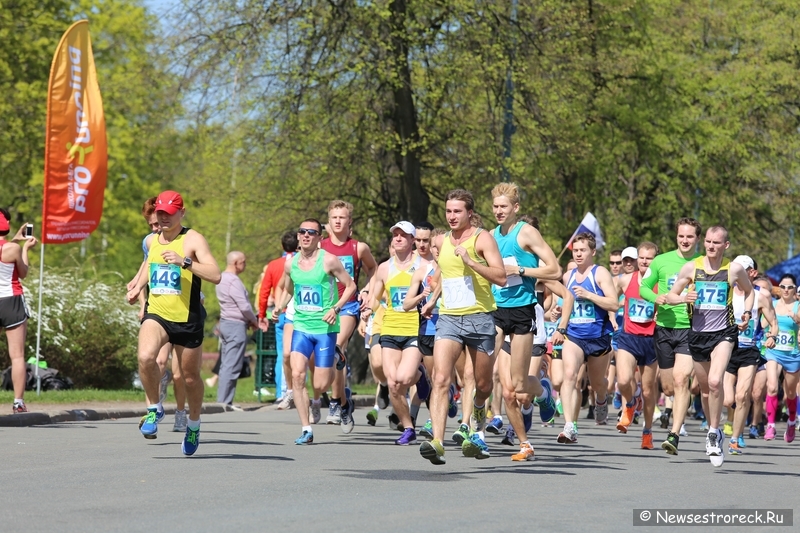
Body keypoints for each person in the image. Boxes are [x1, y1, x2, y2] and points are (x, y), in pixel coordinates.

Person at [126, 191, 221, 456]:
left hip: (187, 318)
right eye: (160, 214)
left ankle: (193, 424)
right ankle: (154, 409)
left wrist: (185, 262)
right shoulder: (152, 240)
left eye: (169, 213)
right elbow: (149, 266)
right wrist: (136, 288)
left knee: (189, 378)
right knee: (146, 357)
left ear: (182, 213)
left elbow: (216, 275)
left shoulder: (193, 239)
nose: (163, 218)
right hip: (158, 314)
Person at [417, 189, 507, 465]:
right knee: (441, 379)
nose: (452, 216)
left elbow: (501, 277)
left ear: (470, 213)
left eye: (457, 211)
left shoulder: (483, 238)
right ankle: (438, 443)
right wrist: (433, 299)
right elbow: (447, 274)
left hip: (480, 318)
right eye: (448, 211)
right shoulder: (441, 240)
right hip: (449, 319)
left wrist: (471, 262)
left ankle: (479, 412)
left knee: (481, 385)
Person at [666, 225, 754, 466]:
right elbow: (671, 295)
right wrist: (684, 298)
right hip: (697, 335)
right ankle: (712, 428)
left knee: (716, 381)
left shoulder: (733, 269)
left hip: (724, 332)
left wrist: (746, 312)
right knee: (705, 389)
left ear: (725, 246)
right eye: (708, 242)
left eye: (716, 243)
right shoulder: (691, 267)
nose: (711, 246)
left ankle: (714, 433)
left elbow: (749, 291)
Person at [488, 183, 560, 461]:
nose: (498, 211)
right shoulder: (491, 236)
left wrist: (519, 269)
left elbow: (553, 268)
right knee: (485, 375)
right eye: (495, 206)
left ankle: (543, 391)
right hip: (496, 311)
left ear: (515, 208)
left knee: (518, 385)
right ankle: (519, 442)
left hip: (523, 311)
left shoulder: (526, 232)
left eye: (503, 206)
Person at [271, 218, 357, 444]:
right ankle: (306, 428)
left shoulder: (329, 261)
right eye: (302, 231)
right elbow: (289, 289)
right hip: (301, 326)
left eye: (312, 232)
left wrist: (336, 309)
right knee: (298, 375)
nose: (306, 235)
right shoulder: (291, 264)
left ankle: (344, 400)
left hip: (325, 328)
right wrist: (279, 306)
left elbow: (351, 286)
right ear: (298, 236)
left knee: (319, 385)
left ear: (320, 237)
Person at [639, 217, 701, 451]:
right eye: (681, 236)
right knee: (667, 387)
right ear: (676, 237)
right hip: (664, 328)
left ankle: (674, 434)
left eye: (690, 236)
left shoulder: (703, 263)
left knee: (680, 379)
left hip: (691, 328)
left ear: (697, 239)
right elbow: (644, 286)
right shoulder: (661, 261)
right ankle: (680, 403)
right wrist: (656, 297)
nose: (685, 240)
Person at [369, 221, 429, 445]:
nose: (398, 238)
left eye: (403, 235)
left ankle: (420, 376)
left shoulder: (423, 265)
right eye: (395, 234)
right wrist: (369, 306)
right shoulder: (384, 267)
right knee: (393, 384)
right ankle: (408, 427)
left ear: (413, 240)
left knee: (404, 378)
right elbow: (376, 297)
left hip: (414, 329)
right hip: (390, 330)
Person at [320, 200, 377, 431]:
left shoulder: (358, 248)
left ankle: (334, 403)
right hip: (324, 308)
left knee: (336, 347)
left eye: (342, 217)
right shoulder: (320, 246)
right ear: (328, 220)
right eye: (334, 217)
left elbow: (373, 270)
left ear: (349, 221)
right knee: (331, 358)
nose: (337, 221)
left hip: (348, 307)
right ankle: (344, 402)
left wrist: (366, 290)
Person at [558, 232, 618, 443]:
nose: (578, 254)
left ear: (592, 252)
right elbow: (566, 304)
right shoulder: (568, 276)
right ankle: (569, 426)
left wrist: (589, 295)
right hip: (574, 335)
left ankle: (601, 400)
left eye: (583, 250)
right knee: (569, 376)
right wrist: (560, 317)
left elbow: (614, 304)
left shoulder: (600, 273)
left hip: (598, 337)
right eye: (575, 250)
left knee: (597, 382)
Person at [724, 255, 777, 454]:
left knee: (742, 394)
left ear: (752, 273)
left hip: (749, 350)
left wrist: (772, 335)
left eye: (742, 269)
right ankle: (728, 422)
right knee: (728, 400)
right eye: (734, 268)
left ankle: (735, 439)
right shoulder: (726, 291)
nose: (736, 272)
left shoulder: (761, 295)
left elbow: (774, 323)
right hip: (727, 348)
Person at [614, 242, 659, 448]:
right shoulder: (624, 280)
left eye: (648, 258)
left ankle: (647, 431)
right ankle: (631, 403)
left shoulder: (662, 283)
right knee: (623, 380)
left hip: (651, 339)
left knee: (649, 391)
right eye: (641, 257)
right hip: (628, 337)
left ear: (655, 260)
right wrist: (610, 319)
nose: (643, 261)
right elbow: (610, 301)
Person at [0, 210, 36, 413]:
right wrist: (25, 248)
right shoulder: (13, 249)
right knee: (17, 356)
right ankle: (18, 402)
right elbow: (23, 273)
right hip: (11, 301)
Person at [258, 231, 298, 404]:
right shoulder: (302, 263)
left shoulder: (273, 265)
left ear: (282, 246)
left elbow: (264, 291)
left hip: (280, 313)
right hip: (301, 313)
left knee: (282, 353)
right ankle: (297, 390)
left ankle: (282, 392)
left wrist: (261, 315)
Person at [216, 251, 259, 407]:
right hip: (235, 325)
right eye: (244, 262)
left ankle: (224, 401)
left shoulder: (221, 278)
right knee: (232, 365)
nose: (245, 265)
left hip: (226, 323)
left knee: (226, 363)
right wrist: (254, 320)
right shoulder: (233, 281)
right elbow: (244, 306)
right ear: (236, 263)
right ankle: (224, 403)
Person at [762, 274, 800, 443]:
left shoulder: (798, 305)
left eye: (789, 287)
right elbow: (763, 323)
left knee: (790, 393)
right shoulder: (773, 305)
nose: (786, 290)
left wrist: (796, 319)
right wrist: (767, 330)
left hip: (793, 354)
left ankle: (791, 422)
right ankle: (770, 425)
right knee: (771, 386)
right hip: (774, 351)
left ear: (794, 289)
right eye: (783, 287)